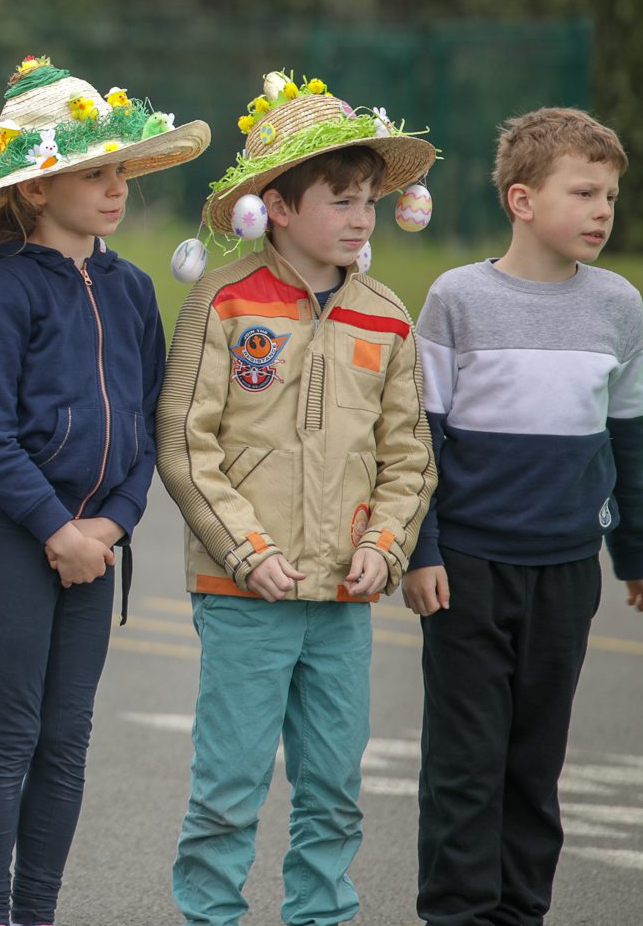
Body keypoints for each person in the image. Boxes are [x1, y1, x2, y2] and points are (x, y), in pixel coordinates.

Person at [159, 71, 438, 926]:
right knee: (229, 786)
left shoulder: (388, 316)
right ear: (276, 207)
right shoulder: (225, 298)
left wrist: (385, 546)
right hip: (246, 590)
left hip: (343, 598)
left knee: (333, 788)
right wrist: (247, 547)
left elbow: (410, 457)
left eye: (369, 200)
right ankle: (210, 914)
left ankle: (320, 915)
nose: (361, 217)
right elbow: (184, 442)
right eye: (341, 199)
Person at [0, 55, 209, 926]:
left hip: (99, 542)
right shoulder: (0, 287)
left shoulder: (131, 289)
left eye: (119, 169)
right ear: (35, 190)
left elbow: (148, 419)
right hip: (16, 534)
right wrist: (58, 529)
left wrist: (113, 526)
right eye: (93, 172)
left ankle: (37, 912)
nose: (114, 185)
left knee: (68, 736)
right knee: (12, 727)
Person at [403, 106, 643, 926]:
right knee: (465, 766)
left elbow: (630, 440)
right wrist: (421, 550)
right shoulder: (457, 299)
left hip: (566, 572)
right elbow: (418, 443)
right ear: (521, 199)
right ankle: (459, 915)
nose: (603, 209)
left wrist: (636, 552)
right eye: (582, 191)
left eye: (610, 193)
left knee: (534, 765)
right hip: (467, 570)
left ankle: (518, 914)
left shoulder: (620, 306)